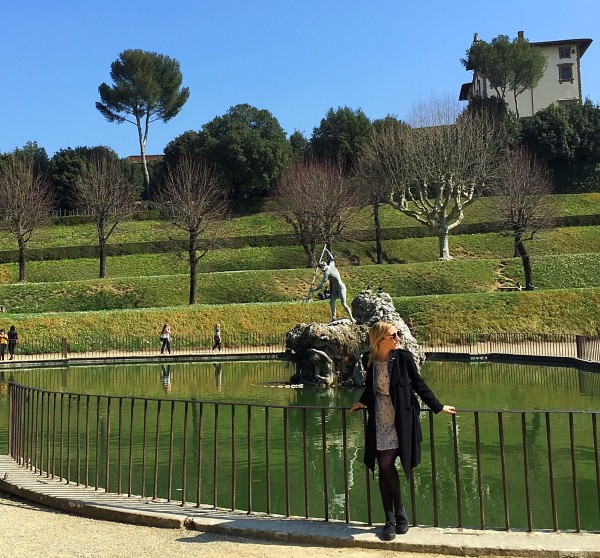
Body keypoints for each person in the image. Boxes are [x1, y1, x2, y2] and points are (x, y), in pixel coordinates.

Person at [349, 321, 455, 541]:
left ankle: (399, 512)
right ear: (380, 340)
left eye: (398, 334)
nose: (398, 338)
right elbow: (371, 388)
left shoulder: (403, 358)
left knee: (387, 463)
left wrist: (438, 406)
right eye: (394, 335)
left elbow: (418, 384)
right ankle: (391, 518)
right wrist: (361, 402)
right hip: (379, 418)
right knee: (383, 464)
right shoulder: (369, 359)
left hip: (401, 418)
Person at [309, 257, 355, 323]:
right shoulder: (331, 265)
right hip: (334, 289)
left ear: (323, 267)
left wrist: (314, 290)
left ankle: (352, 318)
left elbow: (322, 284)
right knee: (332, 302)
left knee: (343, 303)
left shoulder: (326, 273)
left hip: (340, 287)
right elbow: (332, 258)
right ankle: (333, 317)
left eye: (322, 269)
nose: (322, 270)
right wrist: (327, 250)